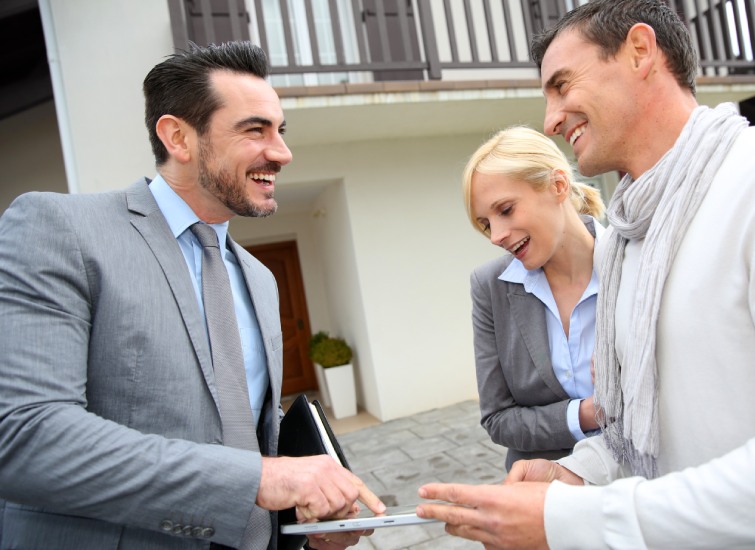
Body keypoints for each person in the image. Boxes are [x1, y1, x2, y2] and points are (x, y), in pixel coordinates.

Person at [0, 42, 384, 550]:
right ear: (178, 136)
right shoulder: (60, 229)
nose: (282, 152)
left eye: (280, 131)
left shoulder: (261, 280)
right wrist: (265, 479)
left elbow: (249, 443)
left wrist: (306, 524)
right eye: (255, 129)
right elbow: (25, 437)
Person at [416, 0, 755, 548]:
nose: (550, 120)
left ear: (640, 52)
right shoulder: (627, 240)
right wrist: (577, 472)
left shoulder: (746, 185)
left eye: (561, 85)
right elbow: (649, 428)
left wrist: (575, 521)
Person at [463, 126, 605, 471]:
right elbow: (498, 419)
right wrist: (590, 411)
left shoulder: (637, 263)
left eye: (506, 210)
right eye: (486, 224)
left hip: (640, 491)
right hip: (544, 499)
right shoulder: (490, 287)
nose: (496, 236)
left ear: (558, 186)